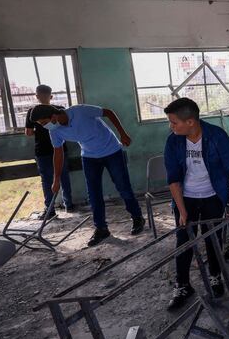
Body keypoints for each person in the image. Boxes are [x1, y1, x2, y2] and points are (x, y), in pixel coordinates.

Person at [163, 97, 229, 310]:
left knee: (213, 240)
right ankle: (182, 285)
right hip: (186, 198)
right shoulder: (173, 141)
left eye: (174, 122)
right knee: (184, 241)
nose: (171, 127)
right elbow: (173, 179)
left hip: (213, 196)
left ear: (190, 122)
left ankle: (215, 276)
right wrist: (181, 211)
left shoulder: (217, 136)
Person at [29, 103, 145, 246]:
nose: (43, 126)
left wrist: (123, 133)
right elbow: (58, 153)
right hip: (89, 156)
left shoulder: (80, 111)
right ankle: (101, 229)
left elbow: (108, 111)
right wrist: (56, 179)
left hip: (112, 151)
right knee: (93, 194)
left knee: (123, 187)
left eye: (44, 122)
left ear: (53, 116)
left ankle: (137, 217)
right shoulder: (54, 131)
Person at [25, 85, 74, 218]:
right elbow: (67, 126)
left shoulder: (32, 111)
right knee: (63, 176)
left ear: (37, 96)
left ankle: (50, 210)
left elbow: (28, 133)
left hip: (42, 150)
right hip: (60, 148)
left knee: (47, 180)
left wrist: (40, 129)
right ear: (51, 96)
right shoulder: (60, 109)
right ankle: (69, 205)